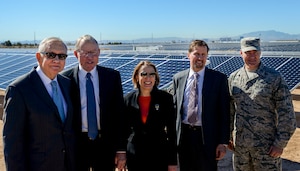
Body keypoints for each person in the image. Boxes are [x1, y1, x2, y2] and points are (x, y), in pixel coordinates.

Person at [2, 37, 76, 171]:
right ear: (38, 56)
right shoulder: (19, 89)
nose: (57, 60)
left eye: (62, 56)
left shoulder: (67, 84)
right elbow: (12, 142)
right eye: (51, 55)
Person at [228, 37, 297, 171]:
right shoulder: (234, 78)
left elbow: (287, 113)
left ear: (260, 53)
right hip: (241, 148)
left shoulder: (273, 77)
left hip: (267, 148)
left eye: (255, 52)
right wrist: (228, 136)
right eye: (248, 52)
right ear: (241, 53)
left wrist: (280, 143)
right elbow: (230, 111)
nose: (252, 56)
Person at [61, 34, 127, 171]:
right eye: (85, 53)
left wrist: (121, 149)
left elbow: (119, 115)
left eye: (93, 52)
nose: (90, 57)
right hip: (76, 144)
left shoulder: (112, 77)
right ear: (75, 54)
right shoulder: (64, 80)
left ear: (99, 53)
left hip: (105, 143)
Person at [172, 39, 230, 171]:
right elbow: (175, 110)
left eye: (203, 55)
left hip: (207, 138)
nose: (200, 58)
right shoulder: (178, 78)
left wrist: (222, 142)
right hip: (184, 137)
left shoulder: (218, 79)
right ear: (188, 55)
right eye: (196, 54)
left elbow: (224, 113)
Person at [123, 60, 177, 171]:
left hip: (159, 155)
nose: (148, 78)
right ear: (137, 77)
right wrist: (122, 154)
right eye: (144, 74)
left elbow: (172, 132)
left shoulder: (166, 99)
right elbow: (123, 130)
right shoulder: (128, 99)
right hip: (134, 155)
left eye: (152, 74)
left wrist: (172, 162)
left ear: (156, 77)